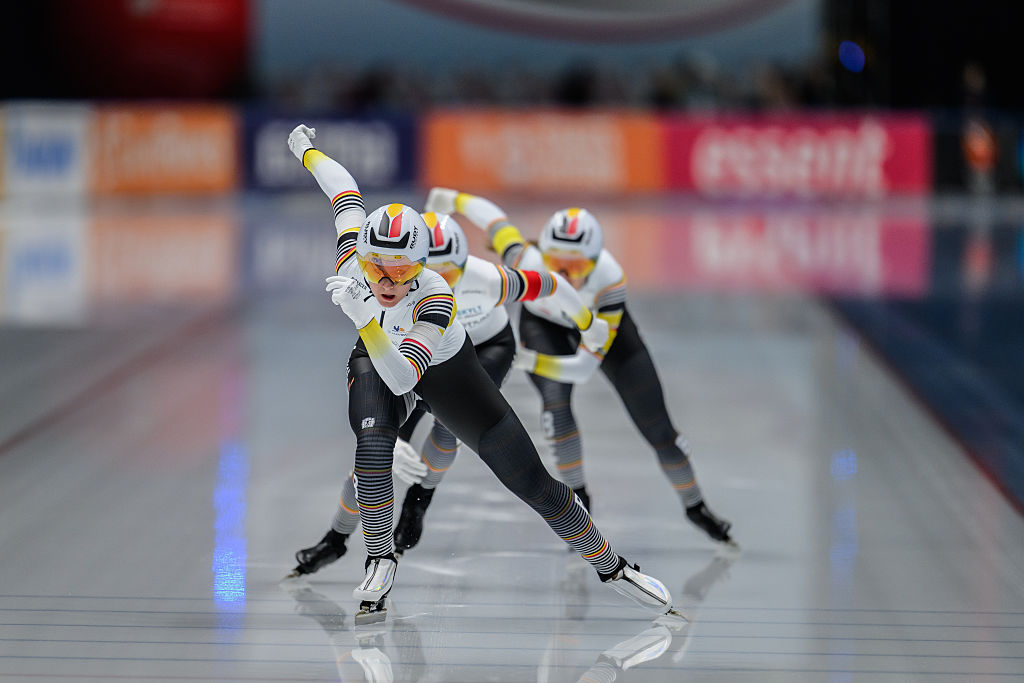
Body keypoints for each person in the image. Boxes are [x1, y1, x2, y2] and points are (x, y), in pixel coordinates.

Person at [285, 124, 675, 623]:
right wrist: (307, 150)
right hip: (379, 358)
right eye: (376, 266)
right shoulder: (354, 260)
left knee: (534, 484)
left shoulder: (437, 296)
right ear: (360, 254)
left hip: (444, 371)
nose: (386, 280)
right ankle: (380, 557)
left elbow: (406, 380)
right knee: (374, 447)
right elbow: (343, 191)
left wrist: (365, 318)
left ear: (424, 265)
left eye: (401, 270)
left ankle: (612, 566)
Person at [293, 211, 610, 570]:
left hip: (480, 350)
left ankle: (420, 499)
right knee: (376, 453)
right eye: (409, 273)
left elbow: (550, 284)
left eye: (450, 276)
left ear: (465, 266)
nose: (436, 283)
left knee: (448, 431)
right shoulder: (399, 281)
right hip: (411, 351)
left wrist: (588, 322)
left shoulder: (486, 279)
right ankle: (336, 537)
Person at [423, 187, 736, 545]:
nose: (565, 275)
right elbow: (493, 219)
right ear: (544, 255)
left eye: (577, 267)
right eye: (557, 264)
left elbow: (584, 368)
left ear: (595, 261)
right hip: (545, 328)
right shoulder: (527, 259)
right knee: (556, 407)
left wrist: (530, 360)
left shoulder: (609, 280)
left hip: (601, 331)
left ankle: (695, 506)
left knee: (660, 432)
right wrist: (455, 199)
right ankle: (579, 499)